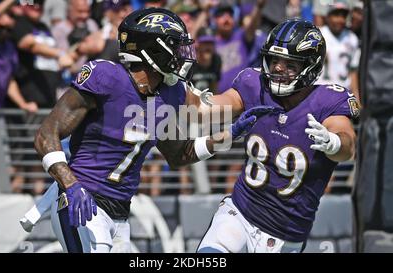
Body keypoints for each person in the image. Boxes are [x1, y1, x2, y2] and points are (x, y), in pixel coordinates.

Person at [23, 7, 273, 253]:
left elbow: (179, 154)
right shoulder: (107, 77)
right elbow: (46, 135)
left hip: (120, 212)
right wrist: (71, 184)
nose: (181, 54)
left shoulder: (171, 93)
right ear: (152, 49)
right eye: (174, 46)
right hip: (83, 201)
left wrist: (228, 136)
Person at [193, 18, 359, 253]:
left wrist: (333, 142)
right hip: (239, 213)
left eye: (290, 63)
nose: (279, 68)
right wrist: (185, 95)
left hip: (285, 235)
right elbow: (209, 109)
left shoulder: (328, 100)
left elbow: (347, 144)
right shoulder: (255, 84)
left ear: (310, 66)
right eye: (275, 60)